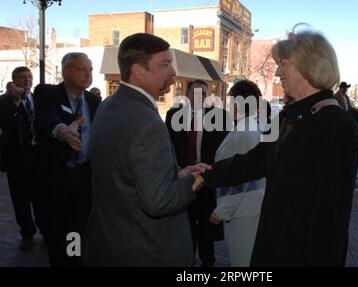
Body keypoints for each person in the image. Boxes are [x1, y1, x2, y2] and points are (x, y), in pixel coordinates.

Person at [202, 29, 358, 266]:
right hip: (273, 244)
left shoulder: (337, 125)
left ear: (308, 65)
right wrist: (207, 174)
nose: (277, 72)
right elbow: (255, 161)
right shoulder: (287, 118)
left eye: (283, 64)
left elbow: (331, 217)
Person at [83, 33, 206, 267]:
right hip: (147, 251)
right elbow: (159, 201)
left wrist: (174, 174)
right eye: (165, 65)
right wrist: (192, 183)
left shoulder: (110, 104)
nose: (172, 72)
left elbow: (128, 174)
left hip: (114, 245)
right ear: (138, 71)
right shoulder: (145, 121)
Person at [34, 53, 101, 266]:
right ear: (66, 72)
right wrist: (62, 129)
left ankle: (75, 260)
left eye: (90, 69)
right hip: (56, 181)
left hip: (84, 180)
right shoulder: (47, 93)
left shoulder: (93, 100)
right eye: (82, 69)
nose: (88, 74)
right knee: (56, 235)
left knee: (78, 230)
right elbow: (46, 117)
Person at [165, 80, 230, 267]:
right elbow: (167, 147)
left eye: (203, 93)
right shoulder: (173, 115)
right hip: (183, 179)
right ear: (188, 94)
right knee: (185, 225)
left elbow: (223, 148)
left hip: (207, 178)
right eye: (195, 93)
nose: (198, 97)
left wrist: (209, 170)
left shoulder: (219, 116)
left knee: (206, 224)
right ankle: (186, 260)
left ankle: (208, 262)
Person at [208, 80, 266, 267]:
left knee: (242, 262)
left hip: (243, 212)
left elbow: (244, 176)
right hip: (244, 210)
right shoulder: (244, 127)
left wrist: (222, 210)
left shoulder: (245, 132)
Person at [0, 68, 39, 249]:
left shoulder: (40, 100)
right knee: (20, 199)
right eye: (22, 78)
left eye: (29, 77)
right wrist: (16, 102)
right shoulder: (4, 102)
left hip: (38, 156)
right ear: (14, 81)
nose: (26, 80)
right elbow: (5, 125)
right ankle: (27, 233)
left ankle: (45, 228)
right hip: (16, 158)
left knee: (41, 196)